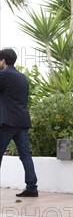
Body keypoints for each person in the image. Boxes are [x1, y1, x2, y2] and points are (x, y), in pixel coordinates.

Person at [0, 48, 39, 197]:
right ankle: (32, 187)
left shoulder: (3, 75)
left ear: (3, 60)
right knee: (25, 155)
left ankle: (31, 187)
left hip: (8, 122)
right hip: (22, 121)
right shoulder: (22, 76)